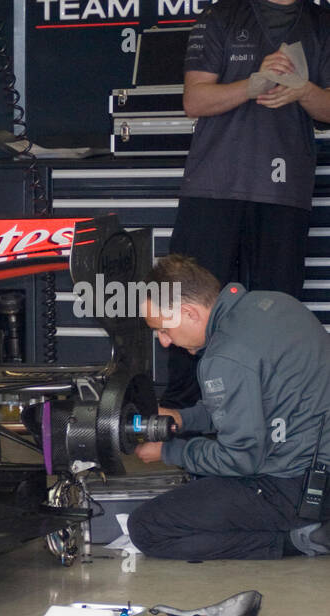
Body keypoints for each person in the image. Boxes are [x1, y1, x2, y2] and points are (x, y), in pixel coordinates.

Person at [164, 0, 330, 407]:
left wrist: (304, 90)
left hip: (283, 192)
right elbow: (194, 101)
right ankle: (185, 419)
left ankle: (274, 421)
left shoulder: (322, 22)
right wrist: (253, 84)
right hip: (213, 188)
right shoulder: (222, 15)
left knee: (276, 313)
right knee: (189, 302)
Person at [127, 254, 330, 560]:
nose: (164, 342)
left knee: (146, 527)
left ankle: (296, 540)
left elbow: (240, 460)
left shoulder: (224, 357)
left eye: (163, 329)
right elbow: (250, 401)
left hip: (297, 488)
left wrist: (168, 452)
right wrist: (181, 418)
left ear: (190, 313)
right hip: (317, 465)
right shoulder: (275, 304)